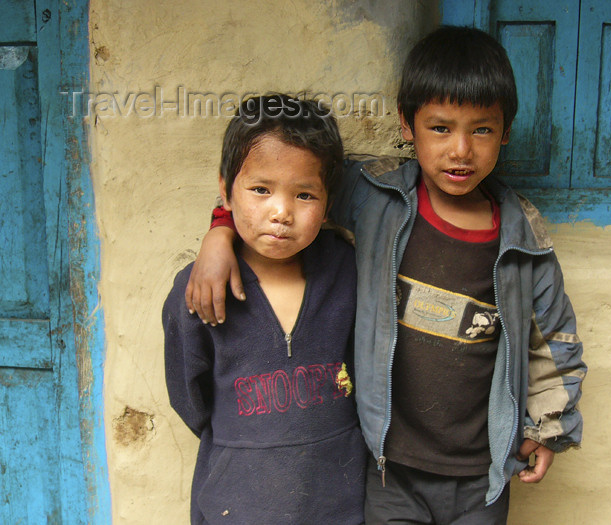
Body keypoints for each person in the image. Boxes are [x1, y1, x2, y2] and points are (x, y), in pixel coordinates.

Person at [186, 26, 586, 524]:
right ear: (406, 124)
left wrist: (548, 427)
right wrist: (219, 231)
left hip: (482, 475)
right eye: (440, 128)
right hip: (386, 469)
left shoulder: (524, 239)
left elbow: (552, 340)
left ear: (505, 131)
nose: (460, 150)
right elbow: (283, 182)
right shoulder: (376, 199)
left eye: (481, 129)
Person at [163, 94, 366, 524]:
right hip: (238, 502)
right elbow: (189, 396)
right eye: (260, 189)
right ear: (225, 190)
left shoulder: (346, 272)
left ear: (329, 202)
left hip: (339, 499)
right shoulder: (198, 289)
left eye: (305, 194)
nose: (281, 212)